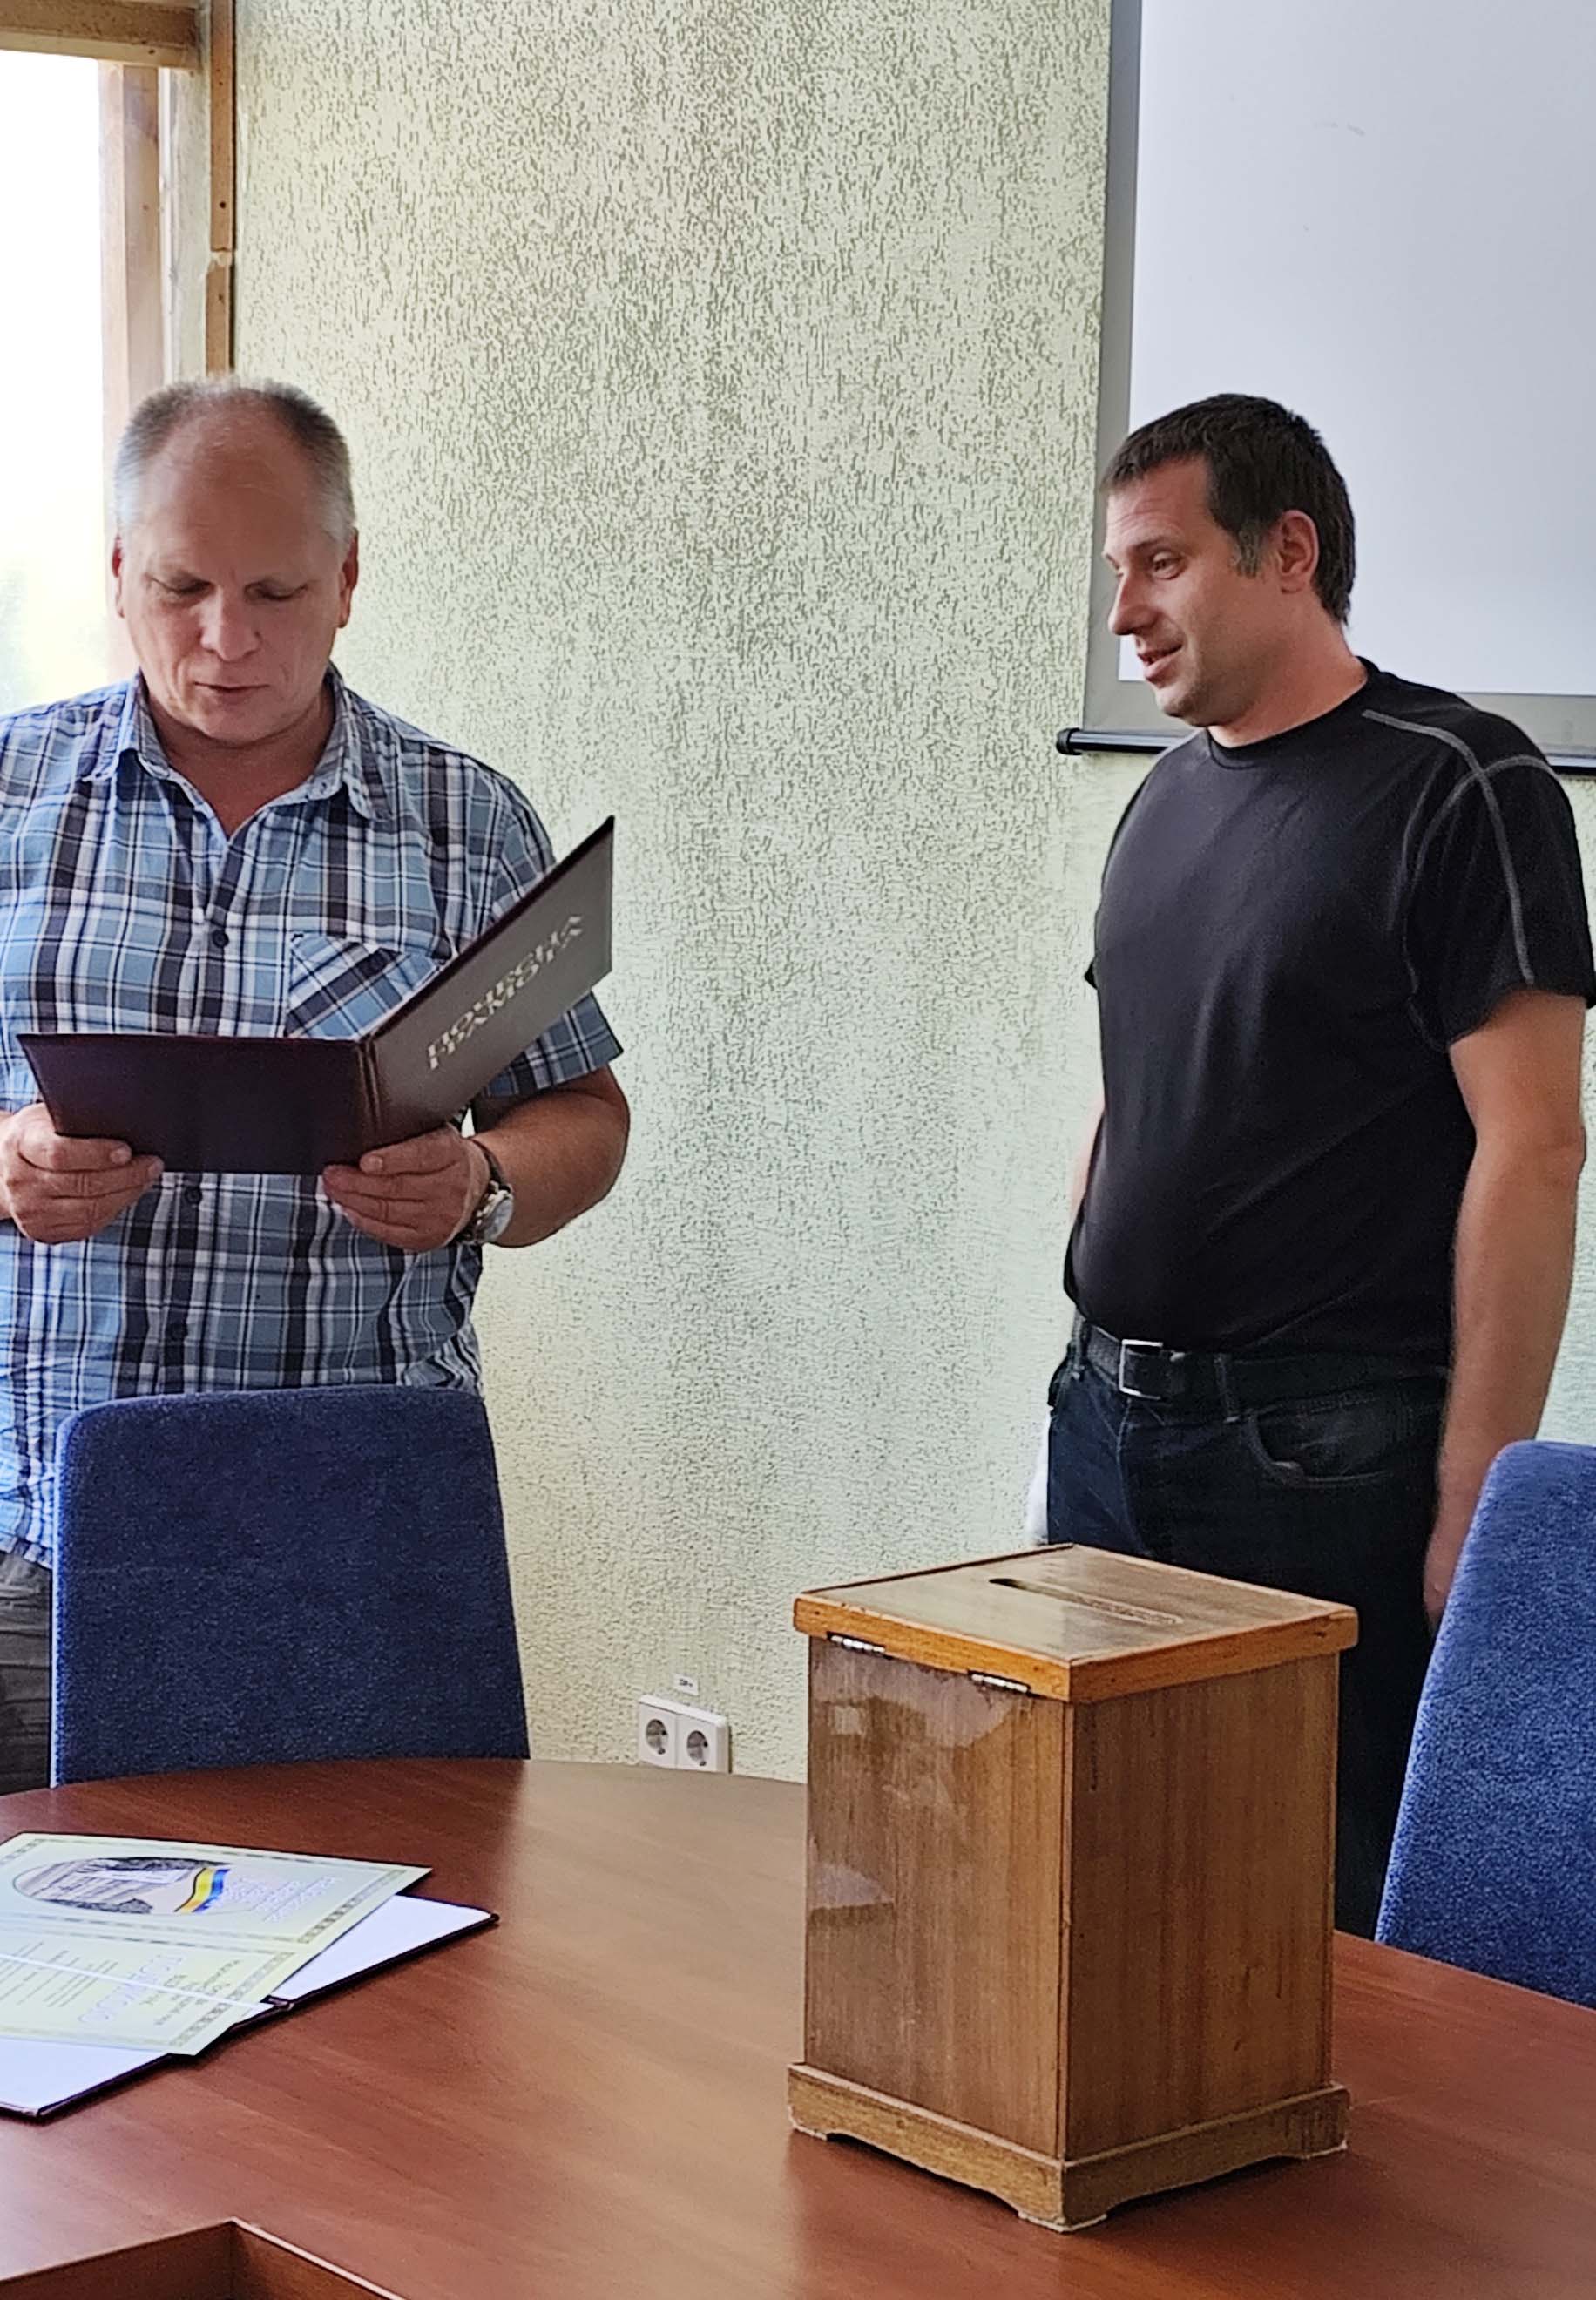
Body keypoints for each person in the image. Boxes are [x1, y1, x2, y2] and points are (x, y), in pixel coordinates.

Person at [0, 377, 630, 1795]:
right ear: (119, 574)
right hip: (32, 1535)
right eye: (182, 589)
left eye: (276, 591)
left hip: (353, 1537)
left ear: (346, 580)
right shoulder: (8, 795)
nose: (226, 639)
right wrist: (7, 1159)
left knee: (384, 1927)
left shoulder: (468, 824)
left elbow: (585, 1117)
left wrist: (484, 1183)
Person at [1047, 393, 1593, 1935]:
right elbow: (1137, 1087)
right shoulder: (1160, 799)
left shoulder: (1461, 784)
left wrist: (1478, 1498)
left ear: (1288, 552)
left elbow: (1536, 1147)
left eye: (1162, 564)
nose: (1124, 615)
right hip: (1105, 1429)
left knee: (1316, 1919)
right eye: (1117, 571)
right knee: (1112, 1885)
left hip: (1317, 1465)